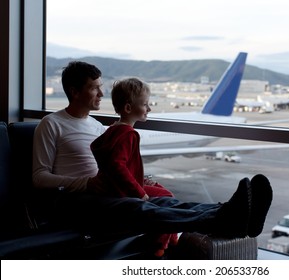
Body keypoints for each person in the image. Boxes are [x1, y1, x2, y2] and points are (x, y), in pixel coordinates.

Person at [32, 61, 273, 257]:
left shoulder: (97, 126)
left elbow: (111, 164)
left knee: (166, 201)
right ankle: (224, 218)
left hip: (102, 191)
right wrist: (86, 183)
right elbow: (39, 178)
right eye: (95, 88)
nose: (102, 93)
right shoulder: (51, 124)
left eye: (101, 86)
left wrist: (135, 177)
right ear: (74, 92)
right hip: (73, 200)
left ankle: (231, 212)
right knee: (137, 205)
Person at [89, 77, 178, 257]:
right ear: (129, 108)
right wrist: (139, 192)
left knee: (159, 189)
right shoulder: (129, 134)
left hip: (109, 188)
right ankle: (161, 245)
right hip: (119, 191)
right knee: (167, 197)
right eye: (145, 104)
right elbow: (117, 166)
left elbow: (100, 152)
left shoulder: (113, 130)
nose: (149, 109)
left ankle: (172, 236)